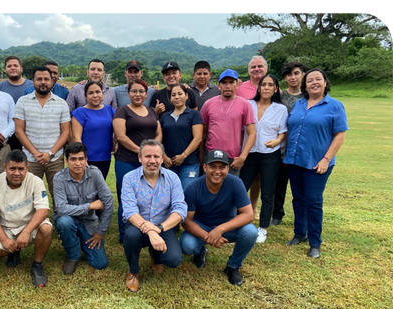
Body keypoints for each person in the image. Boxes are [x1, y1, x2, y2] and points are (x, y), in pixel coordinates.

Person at [283, 68, 348, 259]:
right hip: (295, 160)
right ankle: (299, 233)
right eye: (310, 80)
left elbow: (340, 135)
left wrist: (326, 159)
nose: (314, 82)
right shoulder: (299, 104)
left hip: (317, 163)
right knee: (298, 198)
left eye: (318, 79)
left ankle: (315, 243)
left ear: (325, 82)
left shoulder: (334, 106)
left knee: (313, 201)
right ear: (305, 84)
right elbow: (291, 130)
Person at [180, 149, 257, 286]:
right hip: (202, 225)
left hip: (227, 226)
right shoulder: (193, 188)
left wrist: (220, 229)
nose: (217, 171)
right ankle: (200, 251)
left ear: (228, 168)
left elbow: (248, 214)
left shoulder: (235, 183)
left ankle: (233, 266)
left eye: (222, 167)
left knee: (251, 232)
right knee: (187, 245)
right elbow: (186, 221)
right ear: (204, 167)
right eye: (212, 166)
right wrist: (207, 237)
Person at [121, 140, 187, 292]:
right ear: (140, 158)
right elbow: (130, 211)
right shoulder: (129, 178)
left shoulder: (173, 178)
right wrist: (151, 231)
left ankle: (155, 256)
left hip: (164, 226)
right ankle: (133, 270)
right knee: (130, 236)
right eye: (147, 156)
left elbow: (180, 208)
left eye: (156, 156)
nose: (152, 161)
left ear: (163, 158)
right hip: (137, 225)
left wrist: (159, 228)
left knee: (174, 259)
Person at [0, 149, 53, 287]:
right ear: (5, 168)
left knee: (46, 228)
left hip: (30, 226)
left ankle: (37, 265)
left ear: (27, 168)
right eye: (12, 168)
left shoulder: (36, 181)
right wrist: (4, 240)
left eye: (21, 169)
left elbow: (43, 210)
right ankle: (13, 251)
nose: (16, 173)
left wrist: (26, 232)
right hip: (6, 228)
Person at [239, 74, 288, 244]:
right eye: (263, 85)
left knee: (267, 192)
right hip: (249, 153)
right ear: (258, 88)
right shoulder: (248, 105)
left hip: (270, 155)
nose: (266, 88)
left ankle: (263, 228)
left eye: (270, 85)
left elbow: (283, 131)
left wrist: (278, 141)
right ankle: (238, 222)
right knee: (241, 188)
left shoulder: (280, 109)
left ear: (276, 88)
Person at [14, 66, 71, 210]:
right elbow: (19, 131)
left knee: (58, 192)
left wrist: (50, 153)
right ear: (33, 81)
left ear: (52, 81)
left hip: (55, 158)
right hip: (30, 158)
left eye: (46, 79)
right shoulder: (23, 101)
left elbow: (65, 133)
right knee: (28, 193)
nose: (43, 82)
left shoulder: (61, 103)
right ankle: (30, 224)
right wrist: (35, 153)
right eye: (39, 79)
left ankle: (60, 221)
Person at [113, 78, 162, 244]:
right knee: (126, 197)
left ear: (146, 94)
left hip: (149, 163)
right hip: (127, 160)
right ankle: (124, 233)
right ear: (128, 93)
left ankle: (146, 228)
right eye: (134, 91)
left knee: (148, 196)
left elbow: (158, 133)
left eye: (141, 91)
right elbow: (121, 136)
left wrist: (151, 154)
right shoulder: (122, 111)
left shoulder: (151, 111)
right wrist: (142, 152)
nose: (138, 94)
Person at [53, 142, 114, 275]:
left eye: (81, 159)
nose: (77, 163)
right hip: (69, 220)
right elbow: (62, 209)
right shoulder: (59, 178)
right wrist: (90, 206)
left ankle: (81, 241)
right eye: (73, 159)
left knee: (100, 264)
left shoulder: (95, 173)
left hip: (88, 222)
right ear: (66, 161)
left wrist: (101, 231)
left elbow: (108, 202)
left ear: (86, 160)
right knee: (64, 222)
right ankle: (73, 256)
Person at [200, 69, 256, 177]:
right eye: (224, 83)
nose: (228, 86)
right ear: (219, 85)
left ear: (237, 84)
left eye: (231, 82)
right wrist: (202, 157)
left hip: (233, 158)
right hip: (211, 155)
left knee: (230, 191)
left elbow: (252, 133)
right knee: (210, 189)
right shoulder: (209, 104)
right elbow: (201, 133)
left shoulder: (245, 104)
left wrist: (242, 157)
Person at [271, 61, 307, 226]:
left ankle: (303, 216)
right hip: (281, 147)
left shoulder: (308, 97)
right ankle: (277, 214)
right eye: (289, 74)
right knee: (279, 183)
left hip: (302, 148)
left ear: (303, 75)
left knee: (301, 185)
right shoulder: (279, 97)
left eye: (296, 73)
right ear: (285, 78)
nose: (293, 77)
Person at [236, 56, 269, 219]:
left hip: (263, 141)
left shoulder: (272, 87)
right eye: (253, 67)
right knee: (241, 176)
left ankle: (253, 207)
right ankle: (239, 208)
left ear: (266, 69)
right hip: (241, 139)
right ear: (248, 70)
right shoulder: (240, 88)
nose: (256, 69)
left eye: (260, 66)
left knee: (258, 177)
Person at [160, 83, 204, 191]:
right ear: (170, 98)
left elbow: (198, 138)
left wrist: (183, 155)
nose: (177, 97)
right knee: (168, 195)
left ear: (186, 96)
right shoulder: (165, 116)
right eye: (174, 95)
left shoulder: (194, 114)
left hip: (189, 163)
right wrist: (164, 156)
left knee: (187, 194)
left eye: (180, 94)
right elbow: (159, 138)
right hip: (168, 163)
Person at [71, 81, 116, 178]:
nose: (95, 95)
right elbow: (76, 138)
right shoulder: (79, 113)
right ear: (86, 96)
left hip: (105, 158)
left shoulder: (110, 110)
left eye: (98, 92)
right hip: (87, 160)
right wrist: (83, 160)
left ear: (102, 94)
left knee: (99, 188)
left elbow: (118, 130)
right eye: (91, 93)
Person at [0, 55, 33, 151]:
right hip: (6, 136)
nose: (13, 68)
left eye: (15, 65)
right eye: (9, 66)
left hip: (28, 133)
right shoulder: (0, 87)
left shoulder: (32, 86)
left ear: (21, 68)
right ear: (5, 69)